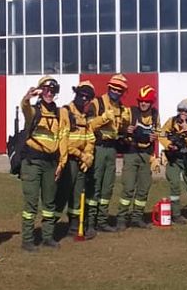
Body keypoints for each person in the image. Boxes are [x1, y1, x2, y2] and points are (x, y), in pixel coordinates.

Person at [19, 76, 70, 248]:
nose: (49, 93)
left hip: (51, 163)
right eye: (46, 90)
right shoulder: (34, 111)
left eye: (52, 90)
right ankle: (27, 240)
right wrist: (27, 97)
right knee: (31, 203)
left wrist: (62, 164)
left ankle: (48, 236)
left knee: (49, 202)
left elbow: (63, 138)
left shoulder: (60, 113)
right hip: (33, 162)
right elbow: (25, 108)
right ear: (41, 91)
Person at [117, 85, 161, 228]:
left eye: (146, 101)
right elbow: (119, 125)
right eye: (141, 100)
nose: (143, 103)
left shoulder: (155, 115)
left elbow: (159, 132)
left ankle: (137, 217)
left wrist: (156, 142)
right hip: (131, 152)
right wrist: (125, 129)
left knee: (143, 188)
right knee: (128, 188)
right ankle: (121, 219)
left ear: (151, 102)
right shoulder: (131, 112)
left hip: (147, 154)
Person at [90, 75, 129, 231]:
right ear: (108, 87)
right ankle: (90, 222)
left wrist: (126, 126)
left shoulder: (121, 107)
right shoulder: (97, 103)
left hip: (112, 149)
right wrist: (104, 118)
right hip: (98, 147)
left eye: (119, 90)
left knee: (108, 186)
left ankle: (102, 220)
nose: (116, 91)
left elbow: (120, 130)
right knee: (95, 185)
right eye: (113, 88)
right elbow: (89, 125)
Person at [62, 82, 98, 238]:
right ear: (75, 94)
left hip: (81, 161)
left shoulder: (84, 116)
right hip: (67, 160)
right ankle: (49, 228)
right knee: (63, 194)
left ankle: (74, 225)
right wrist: (80, 155)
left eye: (87, 98)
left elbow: (90, 138)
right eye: (81, 96)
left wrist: (88, 155)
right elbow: (64, 142)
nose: (84, 100)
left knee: (78, 194)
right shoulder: (65, 112)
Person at [158, 99, 187, 222]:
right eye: (181, 110)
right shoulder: (171, 121)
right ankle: (176, 214)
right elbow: (161, 134)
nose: (183, 112)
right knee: (174, 185)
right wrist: (168, 145)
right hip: (174, 158)